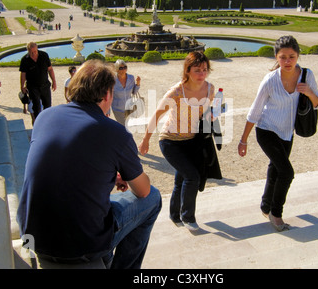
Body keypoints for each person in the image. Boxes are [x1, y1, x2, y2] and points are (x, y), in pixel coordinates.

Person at [17, 60, 161, 269]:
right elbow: (143, 191)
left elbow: (63, 165)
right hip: (82, 245)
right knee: (154, 198)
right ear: (107, 95)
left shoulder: (44, 117)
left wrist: (110, 176)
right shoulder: (115, 133)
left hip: (34, 237)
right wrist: (127, 175)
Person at [238, 35, 318, 232]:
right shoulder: (269, 80)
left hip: (287, 133)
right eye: (282, 57)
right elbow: (255, 111)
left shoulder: (307, 76)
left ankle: (266, 205)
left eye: (291, 57)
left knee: (275, 168)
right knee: (287, 172)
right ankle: (276, 213)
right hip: (266, 130)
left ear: (298, 55)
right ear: (276, 57)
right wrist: (243, 140)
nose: (287, 61)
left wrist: (309, 92)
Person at [139, 51, 216, 231]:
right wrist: (145, 140)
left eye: (205, 70)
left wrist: (211, 116)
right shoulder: (176, 92)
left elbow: (207, 112)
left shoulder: (211, 89)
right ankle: (188, 216)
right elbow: (156, 115)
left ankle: (174, 215)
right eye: (197, 70)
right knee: (192, 176)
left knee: (181, 180)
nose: (202, 74)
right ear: (187, 70)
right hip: (170, 141)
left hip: (192, 141)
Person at [19, 42, 57, 120]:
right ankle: (37, 122)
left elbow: (50, 69)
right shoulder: (24, 60)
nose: (33, 54)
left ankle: (47, 122)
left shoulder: (44, 55)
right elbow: (23, 74)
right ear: (28, 51)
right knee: (36, 106)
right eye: (31, 52)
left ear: (37, 49)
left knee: (48, 106)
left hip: (45, 85)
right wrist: (22, 86)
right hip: (32, 87)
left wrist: (54, 81)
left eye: (35, 51)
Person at [111, 59, 141, 125]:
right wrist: (107, 111)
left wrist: (138, 83)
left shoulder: (131, 78)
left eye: (125, 67)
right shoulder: (112, 80)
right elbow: (109, 95)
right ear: (116, 69)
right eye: (121, 68)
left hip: (129, 108)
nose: (123, 69)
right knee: (124, 126)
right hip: (117, 109)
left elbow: (134, 92)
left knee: (127, 126)